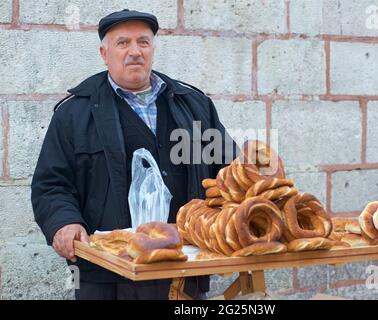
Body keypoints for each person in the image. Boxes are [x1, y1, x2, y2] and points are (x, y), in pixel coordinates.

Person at [31, 9, 237, 300]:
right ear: (104, 53)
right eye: (122, 43)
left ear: (153, 49)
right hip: (106, 274)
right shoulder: (74, 113)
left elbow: (228, 172)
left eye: (143, 42)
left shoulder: (193, 106)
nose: (135, 51)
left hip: (183, 266)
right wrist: (63, 222)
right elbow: (51, 184)